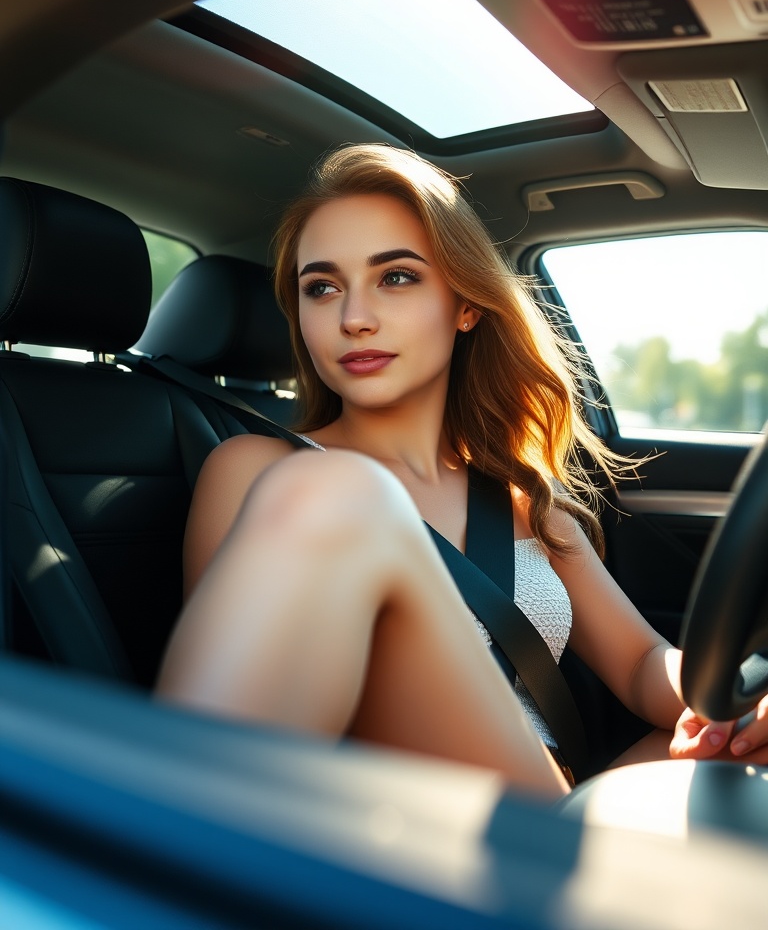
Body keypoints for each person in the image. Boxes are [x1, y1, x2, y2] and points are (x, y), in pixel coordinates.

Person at [156, 143, 768, 801]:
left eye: (395, 277)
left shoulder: (519, 491)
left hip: (557, 809)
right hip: (401, 826)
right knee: (335, 491)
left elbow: (644, 663)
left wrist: (734, 700)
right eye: (322, 287)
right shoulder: (264, 472)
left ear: (466, 305)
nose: (353, 317)